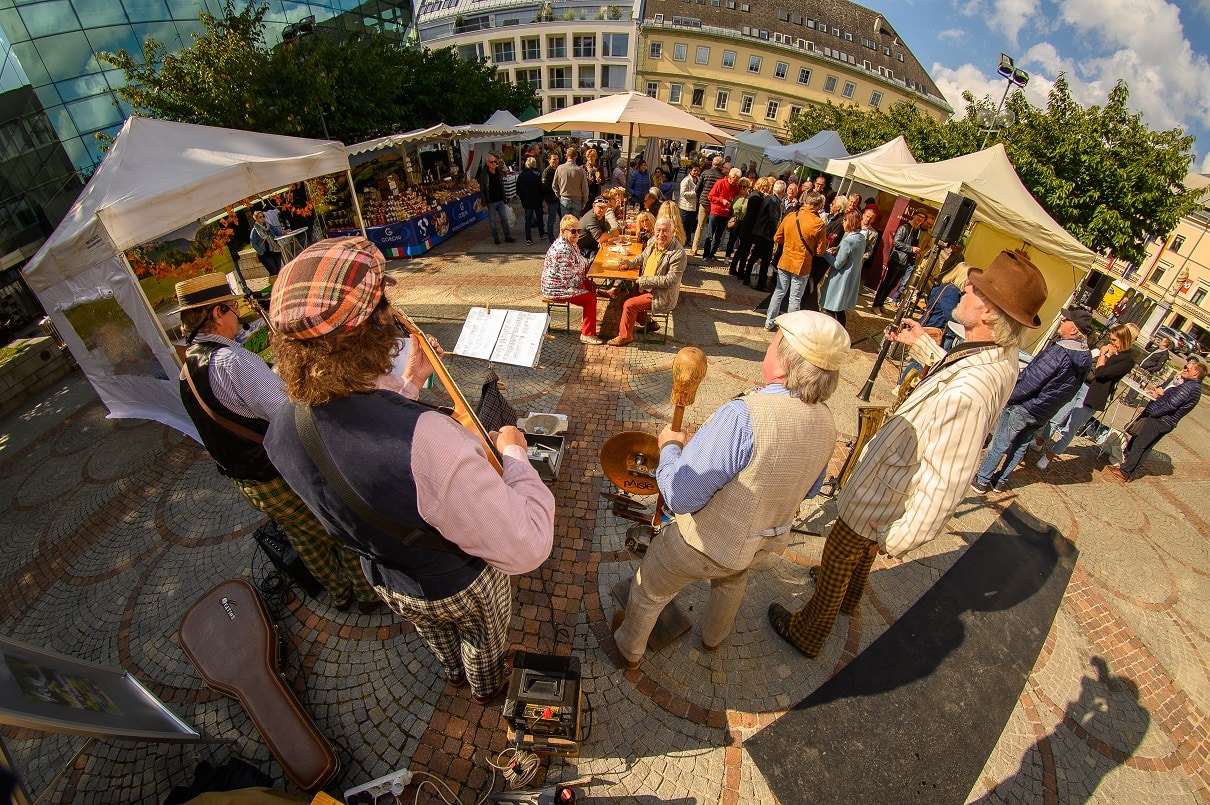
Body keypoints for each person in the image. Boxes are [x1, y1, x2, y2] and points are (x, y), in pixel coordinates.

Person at [263, 237, 556, 705]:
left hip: (385, 577)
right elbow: (526, 547)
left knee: (433, 632)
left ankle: (451, 672)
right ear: (375, 327)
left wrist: (412, 381)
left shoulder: (280, 428)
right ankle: (484, 686)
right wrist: (515, 454)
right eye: (387, 305)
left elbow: (368, 450)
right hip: (457, 579)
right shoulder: (430, 440)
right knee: (481, 640)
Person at [768, 250, 1045, 657]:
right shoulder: (998, 355)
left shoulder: (972, 390)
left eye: (974, 289)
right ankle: (849, 598)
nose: (965, 289)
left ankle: (809, 631)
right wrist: (923, 347)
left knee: (842, 546)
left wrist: (898, 538)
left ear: (987, 312)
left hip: (883, 493)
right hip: (890, 482)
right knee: (857, 553)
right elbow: (955, 375)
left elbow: (947, 480)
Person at [610, 312, 849, 667]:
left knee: (648, 588)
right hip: (760, 544)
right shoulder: (828, 420)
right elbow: (811, 489)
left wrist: (671, 447)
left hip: (702, 545)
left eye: (773, 340)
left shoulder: (743, 416)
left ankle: (630, 649)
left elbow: (679, 495)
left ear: (785, 358)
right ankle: (712, 640)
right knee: (732, 581)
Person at [175, 273, 381, 614]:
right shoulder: (233, 361)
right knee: (337, 522)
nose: (237, 316)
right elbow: (288, 412)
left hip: (247, 481)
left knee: (303, 534)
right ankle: (366, 595)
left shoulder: (187, 370)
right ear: (215, 313)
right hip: (275, 472)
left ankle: (338, 593)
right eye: (231, 309)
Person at [971, 307, 1093, 493]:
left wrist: (1010, 398)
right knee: (1021, 445)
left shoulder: (1059, 352)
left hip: (1026, 405)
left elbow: (1031, 381)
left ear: (1074, 329)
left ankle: (982, 479)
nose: (1062, 321)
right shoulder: (1085, 356)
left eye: (1066, 320)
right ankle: (1000, 480)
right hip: (1044, 410)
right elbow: (1070, 390)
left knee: (1001, 442)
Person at [1038, 324, 1135, 466]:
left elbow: (1101, 373)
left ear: (1123, 339)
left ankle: (1049, 456)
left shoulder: (1127, 360)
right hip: (1080, 384)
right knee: (1058, 415)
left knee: (1071, 427)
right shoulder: (1108, 349)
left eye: (1114, 340)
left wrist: (1103, 355)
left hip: (1092, 395)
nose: (1111, 343)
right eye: (1111, 339)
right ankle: (1039, 442)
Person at [1108, 360, 1205, 482]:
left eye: (1188, 369)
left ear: (1195, 373)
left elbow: (1171, 405)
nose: (1184, 370)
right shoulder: (1195, 388)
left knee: (1140, 445)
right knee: (1146, 447)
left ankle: (1124, 472)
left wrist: (1153, 413)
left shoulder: (1188, 387)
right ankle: (1129, 472)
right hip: (1167, 422)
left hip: (1161, 420)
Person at [607, 216, 686, 347]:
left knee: (629, 305)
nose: (661, 234)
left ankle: (625, 336)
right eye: (658, 230)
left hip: (661, 294)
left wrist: (645, 280)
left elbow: (671, 280)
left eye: (665, 231)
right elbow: (642, 257)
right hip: (646, 288)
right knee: (622, 302)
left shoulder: (678, 253)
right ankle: (650, 324)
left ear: (673, 232)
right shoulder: (653, 241)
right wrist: (629, 263)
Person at [765, 191, 826, 331]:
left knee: (779, 292)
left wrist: (790, 244)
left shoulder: (791, 216)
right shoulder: (818, 224)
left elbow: (777, 238)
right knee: (795, 298)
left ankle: (769, 322)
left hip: (786, 260)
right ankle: (788, 329)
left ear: (806, 202)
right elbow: (820, 251)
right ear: (817, 206)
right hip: (802, 264)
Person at [543, 215, 605, 345]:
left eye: (579, 231)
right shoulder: (563, 249)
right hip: (556, 289)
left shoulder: (571, 243)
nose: (577, 234)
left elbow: (579, 264)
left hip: (564, 283)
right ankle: (587, 334)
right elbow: (569, 280)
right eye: (573, 231)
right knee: (590, 298)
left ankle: (588, 318)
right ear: (563, 231)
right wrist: (584, 278)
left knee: (591, 286)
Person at [872, 211, 926, 315]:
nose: (920, 219)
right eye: (919, 216)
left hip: (905, 262)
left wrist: (915, 252)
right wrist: (911, 249)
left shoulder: (916, 230)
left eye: (923, 218)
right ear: (914, 215)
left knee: (893, 285)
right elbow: (896, 242)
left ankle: (881, 303)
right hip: (897, 260)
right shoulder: (905, 228)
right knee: (887, 283)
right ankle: (875, 305)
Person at [820, 210, 865, 327]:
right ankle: (841, 332)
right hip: (850, 279)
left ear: (850, 221)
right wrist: (838, 249)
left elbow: (838, 264)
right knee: (839, 310)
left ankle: (830, 333)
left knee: (830, 308)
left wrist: (824, 253)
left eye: (844, 220)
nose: (842, 223)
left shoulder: (848, 240)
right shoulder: (861, 238)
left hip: (840, 280)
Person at [703, 168, 742, 261]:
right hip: (716, 212)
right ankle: (706, 254)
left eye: (737, 180)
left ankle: (712, 254)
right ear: (730, 176)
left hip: (725, 214)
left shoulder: (735, 187)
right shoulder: (720, 183)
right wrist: (722, 201)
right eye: (734, 179)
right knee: (710, 235)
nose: (734, 181)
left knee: (718, 237)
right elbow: (710, 196)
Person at [476, 153, 514, 245]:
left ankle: (507, 236)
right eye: (492, 162)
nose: (494, 163)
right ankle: (496, 237)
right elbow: (482, 190)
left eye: (495, 162)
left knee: (504, 219)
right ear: (487, 163)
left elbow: (502, 186)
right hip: (491, 202)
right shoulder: (484, 175)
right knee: (492, 221)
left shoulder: (498, 172)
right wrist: (484, 204)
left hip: (500, 200)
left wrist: (505, 199)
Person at [692, 157, 726, 256]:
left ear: (712, 164)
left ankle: (695, 248)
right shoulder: (722, 177)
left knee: (700, 225)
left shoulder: (705, 173)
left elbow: (698, 188)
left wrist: (700, 197)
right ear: (720, 165)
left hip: (704, 202)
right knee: (713, 228)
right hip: (715, 204)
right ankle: (710, 248)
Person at [553, 146, 589, 219]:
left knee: (565, 223)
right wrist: (585, 200)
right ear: (576, 156)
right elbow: (585, 188)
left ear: (566, 156)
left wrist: (559, 195)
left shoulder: (560, 168)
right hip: (577, 199)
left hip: (564, 198)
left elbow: (554, 185)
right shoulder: (580, 171)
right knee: (574, 223)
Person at [516, 156, 545, 246]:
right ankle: (541, 233)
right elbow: (541, 188)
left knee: (528, 220)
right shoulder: (537, 174)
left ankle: (528, 238)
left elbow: (518, 189)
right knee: (539, 217)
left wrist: (522, 197)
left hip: (526, 201)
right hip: (537, 200)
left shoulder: (521, 175)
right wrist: (542, 198)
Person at [578, 196, 618, 261]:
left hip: (591, 245)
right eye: (600, 207)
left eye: (604, 208)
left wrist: (605, 237)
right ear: (593, 206)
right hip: (580, 250)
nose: (602, 210)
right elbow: (600, 238)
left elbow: (606, 231)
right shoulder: (591, 217)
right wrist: (612, 233)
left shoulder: (601, 215)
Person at [249, 210, 284, 275]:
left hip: (275, 249)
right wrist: (261, 252)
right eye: (260, 217)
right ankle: (275, 283)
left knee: (278, 269)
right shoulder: (255, 230)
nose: (263, 218)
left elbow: (276, 231)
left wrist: (283, 233)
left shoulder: (268, 225)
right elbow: (253, 243)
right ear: (256, 219)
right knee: (273, 270)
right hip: (265, 253)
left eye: (263, 216)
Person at [541, 153, 562, 246]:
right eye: (554, 159)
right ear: (549, 160)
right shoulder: (546, 172)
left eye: (557, 159)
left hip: (560, 198)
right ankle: (551, 238)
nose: (556, 161)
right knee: (552, 219)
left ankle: (562, 236)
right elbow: (545, 188)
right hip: (552, 200)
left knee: (563, 218)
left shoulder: (559, 169)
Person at [677, 163, 701, 240]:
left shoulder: (699, 179)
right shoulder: (686, 180)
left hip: (694, 206)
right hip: (685, 206)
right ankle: (681, 239)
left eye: (697, 171)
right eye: (694, 170)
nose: (696, 172)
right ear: (690, 171)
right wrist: (695, 193)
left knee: (691, 226)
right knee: (684, 225)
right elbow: (682, 193)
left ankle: (688, 239)